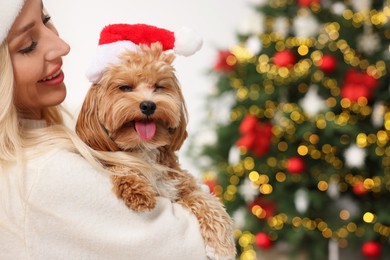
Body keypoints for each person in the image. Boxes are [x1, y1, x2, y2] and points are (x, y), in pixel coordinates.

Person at [0, 0, 209, 259]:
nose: (62, 46)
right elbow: (203, 250)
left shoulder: (59, 129)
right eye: (28, 45)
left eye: (46, 19)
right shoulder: (47, 173)